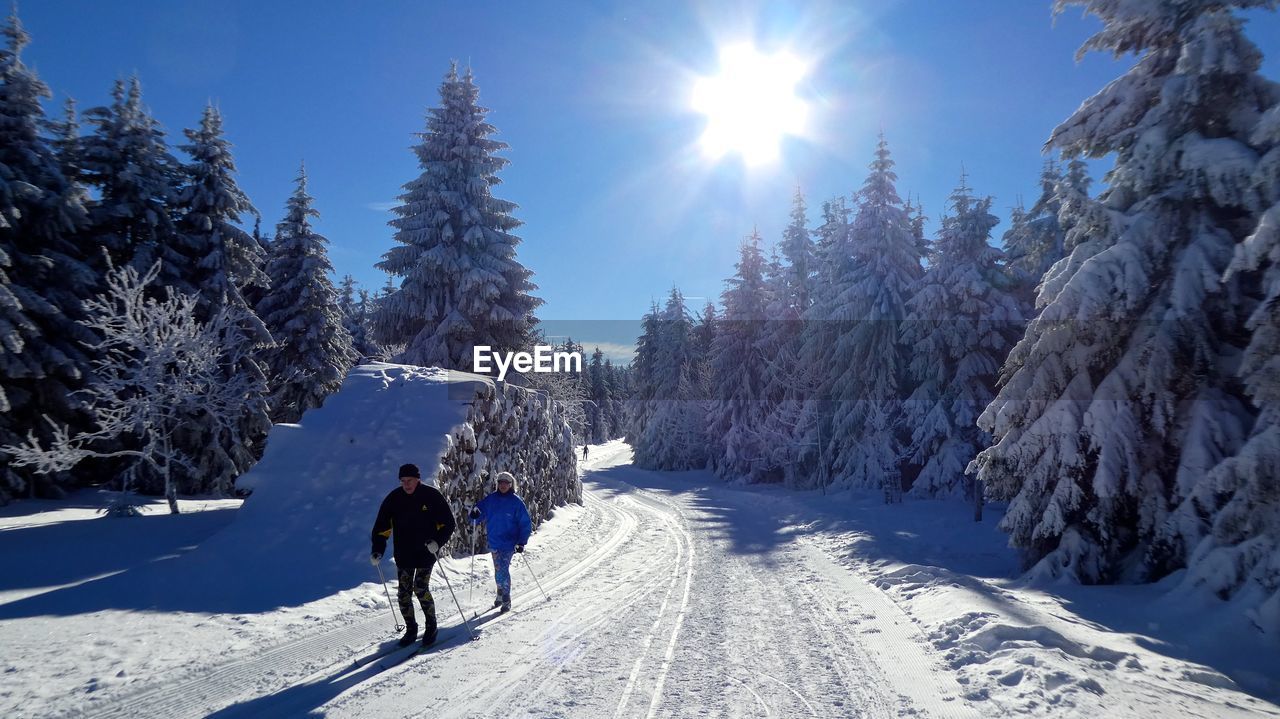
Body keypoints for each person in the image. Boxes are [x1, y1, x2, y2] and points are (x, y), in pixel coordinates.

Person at [371, 463, 456, 647]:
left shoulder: (431, 496)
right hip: (404, 553)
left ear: (418, 479)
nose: (406, 484)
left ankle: (431, 625)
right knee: (403, 593)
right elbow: (382, 528)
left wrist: (437, 541)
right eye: (403, 481)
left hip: (426, 552)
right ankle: (411, 629)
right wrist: (378, 549)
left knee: (420, 588)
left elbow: (448, 523)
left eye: (409, 480)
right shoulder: (394, 499)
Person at [468, 470, 532, 613]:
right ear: (497, 484)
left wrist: (521, 542)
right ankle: (500, 593)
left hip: (509, 543)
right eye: (500, 483)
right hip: (495, 541)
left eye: (506, 483)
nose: (503, 485)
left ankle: (506, 599)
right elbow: (478, 512)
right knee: (498, 569)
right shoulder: (491, 500)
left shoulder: (516, 502)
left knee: (502, 569)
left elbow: (525, 523)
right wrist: (474, 515)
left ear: (511, 485)